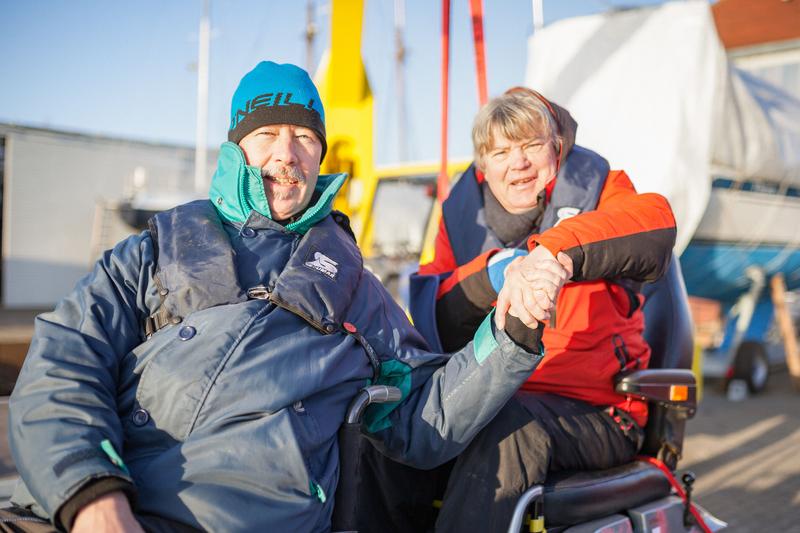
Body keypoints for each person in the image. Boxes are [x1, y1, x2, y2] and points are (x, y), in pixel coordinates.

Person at [2, 63, 549, 533]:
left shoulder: (355, 290)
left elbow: (423, 418)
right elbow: (64, 360)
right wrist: (91, 494)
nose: (287, 154)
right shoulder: (156, 248)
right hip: (90, 502)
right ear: (237, 147)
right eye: (268, 134)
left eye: (306, 137)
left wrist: (511, 332)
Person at [391, 88, 677, 532]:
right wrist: (497, 272)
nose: (517, 162)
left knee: (505, 428)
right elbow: (435, 313)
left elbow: (654, 223)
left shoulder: (602, 188)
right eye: (501, 151)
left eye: (530, 145)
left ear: (557, 149)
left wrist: (552, 253)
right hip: (487, 397)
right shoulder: (458, 218)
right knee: (387, 428)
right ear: (484, 169)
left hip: (596, 412)